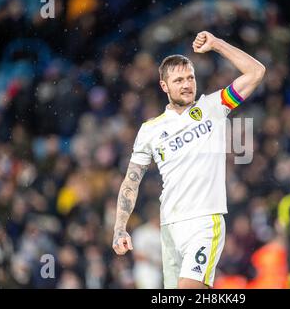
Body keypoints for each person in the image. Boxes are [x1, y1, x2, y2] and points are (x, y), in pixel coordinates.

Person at [112, 31, 265, 289]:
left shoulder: (212, 108)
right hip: (169, 226)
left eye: (190, 78)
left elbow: (256, 72)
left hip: (205, 222)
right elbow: (131, 180)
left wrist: (217, 44)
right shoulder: (150, 129)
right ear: (164, 86)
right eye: (179, 79)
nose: (186, 84)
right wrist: (119, 227)